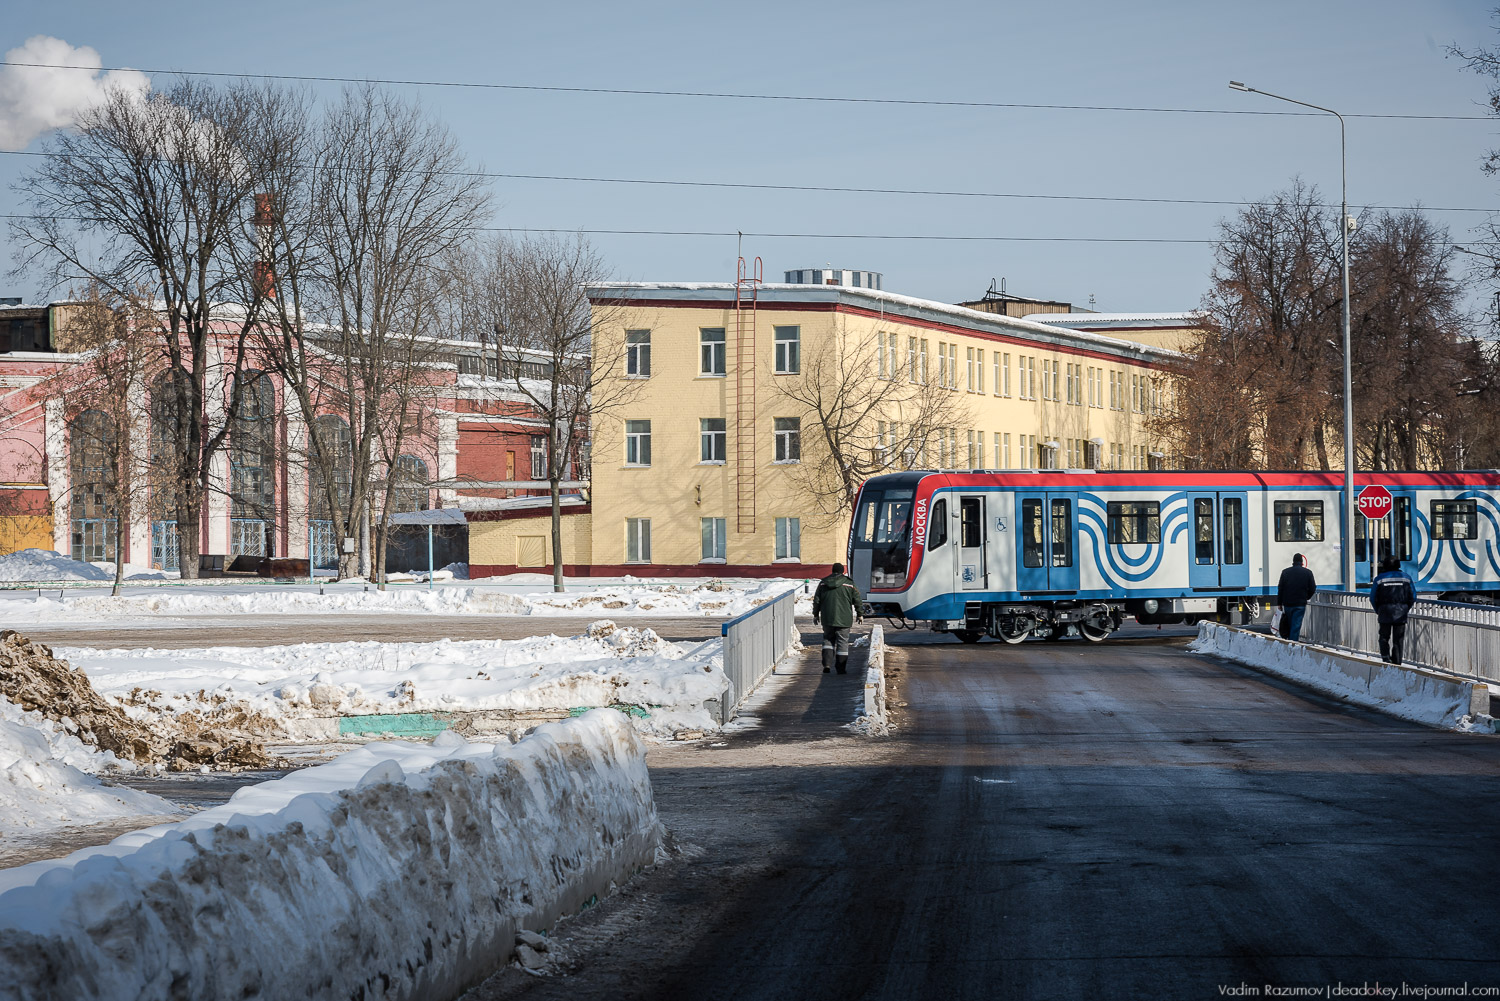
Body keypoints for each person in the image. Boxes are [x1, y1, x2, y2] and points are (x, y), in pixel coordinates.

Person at [812, 562, 864, 674]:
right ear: (842, 571)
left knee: (828, 639)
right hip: (844, 619)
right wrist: (860, 614)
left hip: (827, 618)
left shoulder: (823, 583)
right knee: (843, 642)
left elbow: (817, 601)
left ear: (832, 570)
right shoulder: (849, 584)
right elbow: (857, 600)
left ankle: (827, 664)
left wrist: (815, 614)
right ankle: (841, 668)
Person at [1370, 555, 1416, 665]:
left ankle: (1386, 659)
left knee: (1384, 637)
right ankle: (1397, 662)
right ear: (1398, 565)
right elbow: (1413, 596)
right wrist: (1405, 608)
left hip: (1384, 612)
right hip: (1401, 613)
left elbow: (1372, 597)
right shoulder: (1406, 578)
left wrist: (1378, 610)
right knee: (1398, 639)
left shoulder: (1379, 579)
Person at [1276, 553, 1317, 641]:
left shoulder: (1285, 572)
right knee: (1296, 626)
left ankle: (1288, 642)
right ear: (1302, 562)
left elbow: (1280, 588)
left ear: (1293, 561)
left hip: (1287, 604)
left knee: (1289, 624)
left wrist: (1279, 603)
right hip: (1300, 604)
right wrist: (1306, 597)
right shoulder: (1308, 573)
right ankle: (1293, 644)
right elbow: (1313, 588)